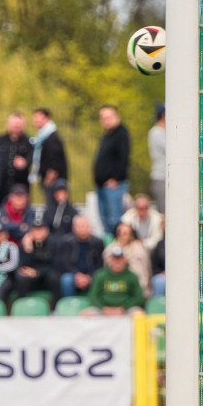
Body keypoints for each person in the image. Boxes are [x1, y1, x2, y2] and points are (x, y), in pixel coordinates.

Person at [92, 105, 131, 235]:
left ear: (116, 117)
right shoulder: (108, 135)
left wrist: (116, 179)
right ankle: (110, 245)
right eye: (103, 118)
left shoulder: (121, 134)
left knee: (114, 221)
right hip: (102, 186)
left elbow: (123, 158)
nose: (105, 120)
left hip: (113, 186)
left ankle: (117, 245)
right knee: (105, 222)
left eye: (108, 117)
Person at [83, 246, 145, 315]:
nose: (117, 262)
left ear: (125, 260)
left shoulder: (132, 276)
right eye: (115, 259)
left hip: (126, 309)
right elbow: (93, 296)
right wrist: (103, 308)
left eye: (120, 259)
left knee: (139, 313)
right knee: (87, 314)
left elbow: (138, 297)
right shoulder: (100, 275)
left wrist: (124, 308)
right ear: (110, 260)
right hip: (103, 309)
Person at [55, 214, 105, 299]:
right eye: (80, 226)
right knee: (66, 280)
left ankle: (95, 303)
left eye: (86, 226)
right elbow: (64, 263)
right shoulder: (66, 242)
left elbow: (99, 264)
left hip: (91, 274)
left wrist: (89, 276)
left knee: (100, 277)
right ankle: (69, 304)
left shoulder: (98, 242)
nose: (83, 229)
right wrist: (77, 275)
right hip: (73, 274)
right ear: (73, 228)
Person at [104, 222, 152, 299]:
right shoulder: (110, 249)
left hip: (138, 286)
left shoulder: (139, 249)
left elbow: (147, 269)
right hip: (115, 287)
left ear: (131, 235)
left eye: (125, 233)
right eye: (120, 233)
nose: (122, 235)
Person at [15, 218, 58, 298]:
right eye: (35, 230)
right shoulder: (25, 242)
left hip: (46, 275)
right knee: (21, 277)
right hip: (30, 276)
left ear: (46, 231)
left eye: (40, 230)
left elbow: (55, 265)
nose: (38, 233)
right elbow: (22, 265)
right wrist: (28, 249)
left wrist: (38, 272)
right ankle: (22, 302)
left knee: (54, 277)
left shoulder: (54, 243)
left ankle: (55, 304)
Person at [30, 108, 67, 200]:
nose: (36, 120)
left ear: (47, 119)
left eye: (38, 117)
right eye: (34, 117)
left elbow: (55, 162)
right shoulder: (43, 137)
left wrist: (49, 179)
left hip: (54, 182)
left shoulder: (51, 138)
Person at [0, 112, 32, 204]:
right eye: (14, 124)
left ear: (23, 125)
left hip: (21, 185)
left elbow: (33, 157)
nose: (16, 126)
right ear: (8, 124)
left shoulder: (28, 142)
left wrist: (25, 162)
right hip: (2, 185)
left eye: (18, 124)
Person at [147, 104, 166, 212]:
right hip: (161, 177)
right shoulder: (156, 132)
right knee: (165, 212)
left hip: (165, 177)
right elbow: (170, 149)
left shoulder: (162, 132)